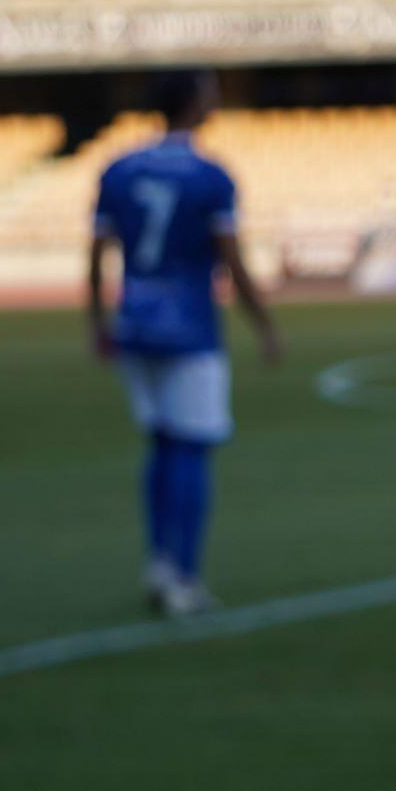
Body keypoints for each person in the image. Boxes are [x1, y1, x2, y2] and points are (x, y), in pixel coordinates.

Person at [89, 70, 281, 618]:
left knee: (161, 442)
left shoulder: (119, 168)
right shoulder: (210, 176)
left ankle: (158, 559)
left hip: (134, 320)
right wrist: (264, 324)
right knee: (193, 446)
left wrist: (95, 320)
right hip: (190, 325)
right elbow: (231, 258)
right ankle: (185, 575)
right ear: (195, 102)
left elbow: (97, 249)